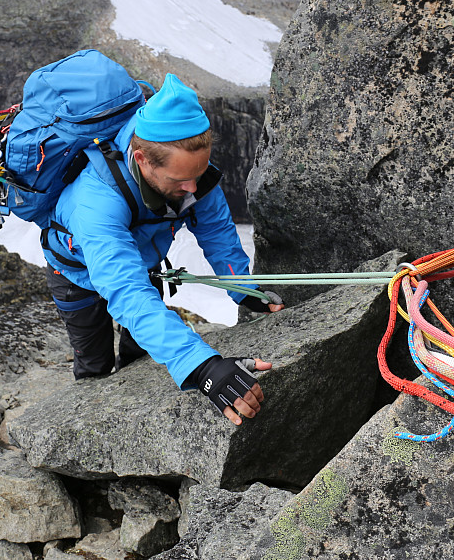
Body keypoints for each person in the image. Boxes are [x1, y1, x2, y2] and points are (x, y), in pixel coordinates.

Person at [40, 73, 284, 425]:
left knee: (140, 355)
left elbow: (216, 230)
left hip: (144, 261)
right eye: (179, 181)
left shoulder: (192, 174)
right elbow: (126, 291)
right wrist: (202, 367)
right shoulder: (95, 203)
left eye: (198, 175)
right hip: (75, 274)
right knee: (94, 366)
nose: (192, 189)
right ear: (141, 159)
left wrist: (241, 289)